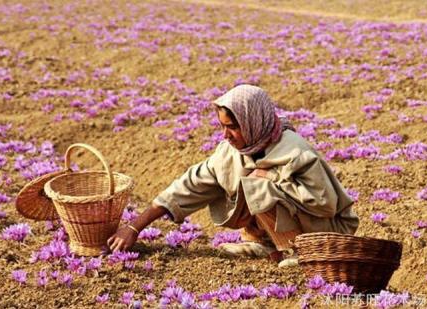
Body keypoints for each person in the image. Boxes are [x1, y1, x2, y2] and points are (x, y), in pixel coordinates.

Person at [107, 84, 359, 267]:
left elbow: (325, 204)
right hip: (293, 223)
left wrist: (270, 181)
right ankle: (265, 243)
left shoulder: (295, 151)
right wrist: (134, 227)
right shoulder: (230, 153)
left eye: (233, 127)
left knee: (258, 185)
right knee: (252, 184)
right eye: (223, 126)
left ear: (252, 122)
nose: (226, 135)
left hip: (326, 230)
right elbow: (190, 185)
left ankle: (297, 251)